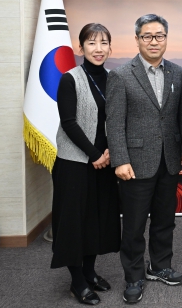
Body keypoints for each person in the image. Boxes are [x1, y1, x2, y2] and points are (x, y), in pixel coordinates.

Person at [106, 14, 182, 305]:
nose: (154, 41)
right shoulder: (121, 75)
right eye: (147, 36)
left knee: (165, 220)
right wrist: (120, 159)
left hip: (169, 159)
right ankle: (133, 276)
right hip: (134, 162)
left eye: (159, 36)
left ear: (166, 39)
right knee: (133, 226)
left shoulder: (177, 73)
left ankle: (160, 266)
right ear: (137, 39)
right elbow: (114, 123)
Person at [51, 23, 121, 306]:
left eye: (104, 43)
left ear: (110, 48)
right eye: (92, 43)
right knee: (74, 222)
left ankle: (90, 272)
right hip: (75, 163)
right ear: (80, 48)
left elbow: (117, 119)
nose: (98, 49)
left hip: (104, 161)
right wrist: (94, 155)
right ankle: (77, 281)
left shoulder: (113, 79)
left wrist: (110, 153)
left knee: (96, 219)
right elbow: (69, 123)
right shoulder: (70, 79)